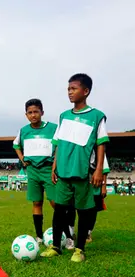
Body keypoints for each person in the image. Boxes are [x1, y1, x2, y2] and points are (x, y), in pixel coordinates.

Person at [41, 73, 109, 262]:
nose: (69, 92)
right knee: (60, 210)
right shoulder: (63, 116)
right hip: (63, 172)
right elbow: (58, 143)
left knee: (84, 211)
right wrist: (54, 165)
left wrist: (98, 171)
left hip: (82, 173)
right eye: (68, 89)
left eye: (74, 88)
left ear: (86, 91)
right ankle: (56, 246)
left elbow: (101, 144)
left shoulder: (96, 116)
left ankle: (79, 249)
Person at [13, 98, 57, 245]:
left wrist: (55, 166)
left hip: (49, 169)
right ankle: (39, 236)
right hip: (32, 170)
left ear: (42, 113)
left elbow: (59, 146)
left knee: (55, 203)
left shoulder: (53, 128)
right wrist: (21, 158)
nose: (33, 115)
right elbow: (16, 145)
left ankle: (67, 232)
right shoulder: (23, 130)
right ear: (26, 115)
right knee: (37, 202)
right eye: (30, 112)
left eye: (36, 112)